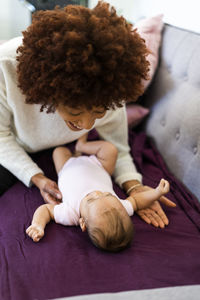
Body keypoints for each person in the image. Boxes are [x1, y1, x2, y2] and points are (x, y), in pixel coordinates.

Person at [0, 1, 169, 228]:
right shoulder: (6, 68)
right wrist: (36, 178)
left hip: (66, 154)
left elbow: (118, 147)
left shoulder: (106, 84)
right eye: (75, 111)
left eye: (99, 112)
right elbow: (1, 136)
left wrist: (134, 186)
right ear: (48, 90)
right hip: (15, 145)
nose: (88, 125)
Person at [26, 134, 175, 252]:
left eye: (91, 199)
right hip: (99, 166)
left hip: (67, 167)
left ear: (82, 223)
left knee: (58, 151)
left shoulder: (71, 214)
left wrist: (38, 225)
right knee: (111, 149)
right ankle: (82, 145)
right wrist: (156, 193)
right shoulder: (122, 208)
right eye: (107, 195)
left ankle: (76, 151)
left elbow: (45, 210)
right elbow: (137, 200)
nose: (97, 192)